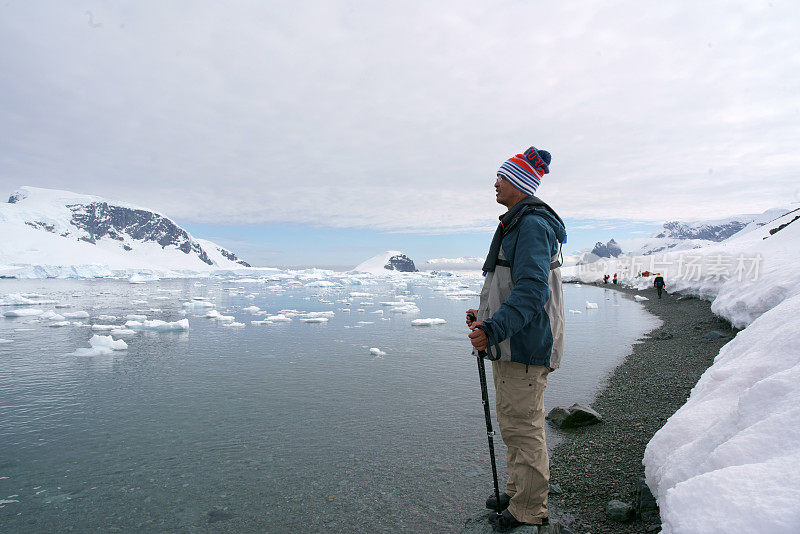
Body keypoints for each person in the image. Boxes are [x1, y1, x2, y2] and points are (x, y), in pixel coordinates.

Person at [466, 146, 566, 532]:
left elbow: (531, 291)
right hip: (513, 342)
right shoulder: (519, 222)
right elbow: (508, 285)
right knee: (512, 421)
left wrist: (494, 328)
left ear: (519, 184)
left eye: (501, 178)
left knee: (524, 426)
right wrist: (485, 317)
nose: (494, 183)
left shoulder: (532, 226)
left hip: (526, 344)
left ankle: (529, 507)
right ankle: (517, 489)